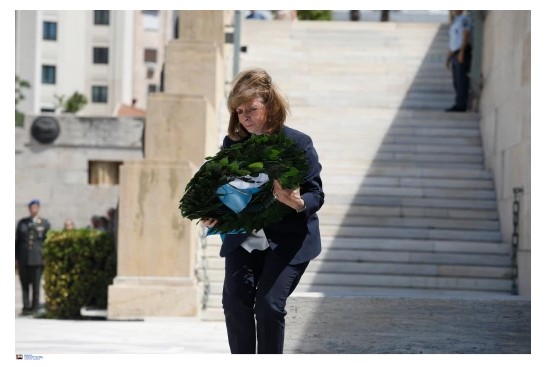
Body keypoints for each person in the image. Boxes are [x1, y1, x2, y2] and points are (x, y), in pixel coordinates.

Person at [202, 68, 325, 354]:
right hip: (244, 237)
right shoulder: (232, 144)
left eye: (252, 109)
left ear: (270, 106)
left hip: (289, 240)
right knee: (234, 303)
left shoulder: (299, 143)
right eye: (239, 110)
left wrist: (297, 202)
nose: (245, 116)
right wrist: (216, 213)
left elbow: (315, 193)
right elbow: (226, 190)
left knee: (268, 305)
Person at [15, 199, 51, 315]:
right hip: (23, 258)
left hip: (37, 258)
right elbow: (17, 241)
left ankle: (35, 308)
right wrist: (15, 258)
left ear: (38, 208)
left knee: (36, 285)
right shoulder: (22, 222)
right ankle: (26, 307)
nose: (33, 209)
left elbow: (47, 241)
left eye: (35, 207)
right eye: (31, 207)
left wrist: (46, 257)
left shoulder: (44, 223)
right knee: (24, 284)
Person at [445, 10, 473, 112]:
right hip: (454, 53)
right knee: (456, 81)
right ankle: (458, 103)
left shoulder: (464, 19)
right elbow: (453, 41)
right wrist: (448, 58)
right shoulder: (455, 22)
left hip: (462, 52)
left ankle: (461, 105)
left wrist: (462, 52)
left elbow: (466, 34)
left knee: (462, 80)